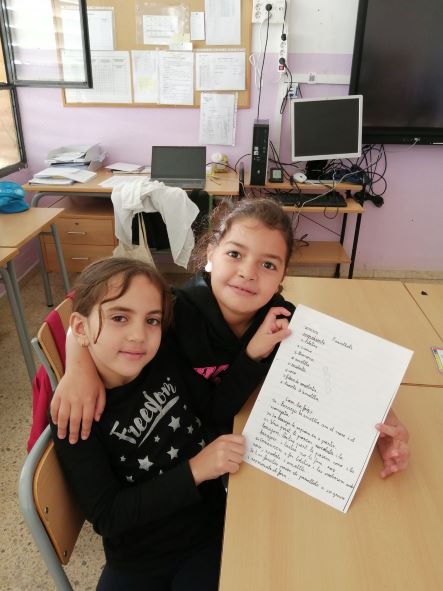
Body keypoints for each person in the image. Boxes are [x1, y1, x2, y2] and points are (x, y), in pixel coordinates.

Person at [51, 197, 409, 479]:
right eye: (235, 254)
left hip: (255, 446)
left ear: (283, 274)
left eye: (268, 264)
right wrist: (78, 368)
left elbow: (341, 366)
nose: (248, 273)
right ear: (211, 254)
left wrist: (383, 422)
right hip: (190, 457)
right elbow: (83, 306)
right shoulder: (175, 309)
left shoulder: (280, 319)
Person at [49, 257, 255, 590]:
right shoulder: (75, 412)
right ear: (81, 328)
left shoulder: (164, 354)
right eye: (119, 317)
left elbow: (213, 409)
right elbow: (108, 515)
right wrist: (196, 469)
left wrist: (253, 356)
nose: (138, 335)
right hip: (138, 558)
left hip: (208, 532)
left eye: (152, 320)